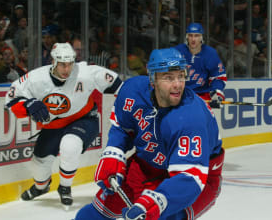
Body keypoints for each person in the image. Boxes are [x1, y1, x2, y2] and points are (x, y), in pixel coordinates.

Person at [75, 47, 224, 220]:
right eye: (169, 77)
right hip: (147, 165)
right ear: (152, 79)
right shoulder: (133, 90)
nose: (177, 84)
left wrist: (153, 203)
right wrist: (113, 154)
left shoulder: (191, 118)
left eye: (181, 76)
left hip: (196, 179)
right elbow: (122, 128)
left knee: (165, 217)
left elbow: (189, 178)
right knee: (96, 213)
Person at [4, 43, 122, 208]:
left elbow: (118, 85)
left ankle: (65, 187)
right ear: (53, 61)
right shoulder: (36, 78)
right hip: (54, 125)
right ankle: (41, 187)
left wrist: (134, 100)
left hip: (84, 118)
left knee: (70, 145)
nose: (67, 69)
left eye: (70, 64)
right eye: (62, 64)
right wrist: (27, 104)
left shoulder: (85, 72)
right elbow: (11, 98)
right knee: (38, 164)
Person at [174, 22, 226, 108]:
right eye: (190, 35)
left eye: (196, 36)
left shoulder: (210, 54)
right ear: (187, 37)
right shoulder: (177, 52)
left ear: (201, 37)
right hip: (181, 95)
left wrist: (217, 94)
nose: (193, 39)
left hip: (202, 96)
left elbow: (218, 77)